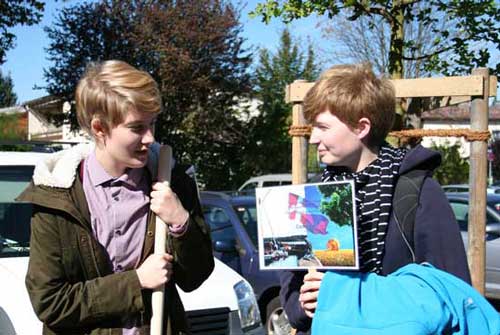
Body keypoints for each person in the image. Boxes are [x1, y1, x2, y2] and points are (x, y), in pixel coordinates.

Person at [18, 60, 214, 335]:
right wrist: (136, 282)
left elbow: (196, 277)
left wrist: (181, 222)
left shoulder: (172, 182)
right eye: (136, 128)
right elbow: (50, 302)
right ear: (99, 128)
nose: (150, 138)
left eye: (152, 124)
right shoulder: (56, 196)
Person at [279, 63, 471, 334]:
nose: (312, 138)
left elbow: (451, 292)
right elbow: (291, 285)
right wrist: (303, 305)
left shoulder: (418, 191)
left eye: (322, 127)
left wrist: (349, 293)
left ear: (361, 127)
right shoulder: (315, 196)